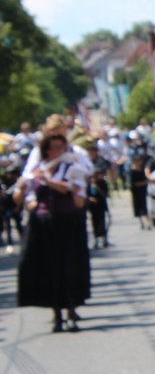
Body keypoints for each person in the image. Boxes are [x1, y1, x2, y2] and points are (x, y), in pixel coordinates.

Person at [18, 133, 91, 333]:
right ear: (46, 150)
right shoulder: (37, 170)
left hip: (67, 222)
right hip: (44, 224)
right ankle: (56, 314)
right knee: (49, 270)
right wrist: (27, 197)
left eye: (60, 147)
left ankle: (71, 312)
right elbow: (29, 197)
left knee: (69, 267)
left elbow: (78, 199)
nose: (57, 151)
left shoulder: (72, 168)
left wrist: (52, 182)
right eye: (53, 147)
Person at [87, 168, 110, 249]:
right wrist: (90, 198)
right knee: (94, 223)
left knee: (103, 222)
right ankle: (96, 240)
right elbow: (87, 194)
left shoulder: (102, 182)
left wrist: (97, 188)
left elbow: (105, 194)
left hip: (102, 205)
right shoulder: (89, 184)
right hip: (93, 207)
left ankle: (104, 240)